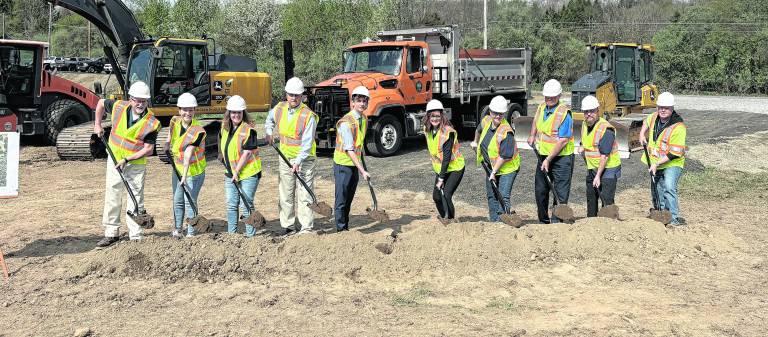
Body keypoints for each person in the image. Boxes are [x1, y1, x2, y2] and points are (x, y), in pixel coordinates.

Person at [93, 81, 161, 248]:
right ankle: (111, 233)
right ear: (130, 99)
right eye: (137, 100)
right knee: (113, 194)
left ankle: (135, 236)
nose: (140, 104)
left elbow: (148, 149)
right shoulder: (118, 107)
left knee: (136, 197)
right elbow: (100, 103)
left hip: (135, 164)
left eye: (144, 101)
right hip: (115, 159)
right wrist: (97, 124)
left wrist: (127, 160)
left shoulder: (152, 123)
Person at [264, 77, 319, 235]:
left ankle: (306, 227)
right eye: (291, 94)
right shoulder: (279, 108)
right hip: (285, 158)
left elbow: (307, 144)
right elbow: (269, 120)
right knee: (286, 193)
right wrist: (269, 132)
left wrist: (298, 162)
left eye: (297, 95)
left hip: (304, 160)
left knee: (304, 194)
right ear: (286, 94)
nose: (293, 98)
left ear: (302, 96)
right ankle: (288, 226)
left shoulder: (308, 116)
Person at [527, 79, 574, 223]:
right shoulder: (542, 107)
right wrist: (532, 135)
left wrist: (548, 159)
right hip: (543, 156)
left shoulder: (564, 113)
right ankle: (543, 221)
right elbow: (536, 121)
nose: (549, 99)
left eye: (552, 96)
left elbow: (563, 140)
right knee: (540, 190)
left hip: (561, 158)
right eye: (547, 96)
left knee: (560, 193)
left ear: (559, 96)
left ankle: (556, 222)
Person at [639, 91, 687, 226]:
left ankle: (673, 219)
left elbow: (674, 153)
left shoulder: (678, 127)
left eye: (666, 108)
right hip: (656, 161)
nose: (663, 110)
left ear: (672, 108)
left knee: (669, 187)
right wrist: (642, 134)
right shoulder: (655, 116)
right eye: (660, 107)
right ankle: (661, 215)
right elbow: (646, 122)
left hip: (672, 162)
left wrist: (656, 164)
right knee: (657, 188)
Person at [219, 95, 262, 237]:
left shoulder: (249, 130)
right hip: (230, 172)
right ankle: (232, 235)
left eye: (239, 112)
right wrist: (221, 154)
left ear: (243, 112)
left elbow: (247, 153)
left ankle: (250, 235)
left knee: (246, 204)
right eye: (233, 112)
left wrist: (236, 171)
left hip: (248, 172)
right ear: (229, 113)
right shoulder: (224, 128)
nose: (236, 115)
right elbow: (222, 142)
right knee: (232, 204)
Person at [471, 95, 519, 222]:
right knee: (491, 195)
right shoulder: (487, 120)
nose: (498, 116)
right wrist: (475, 142)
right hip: (491, 166)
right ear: (490, 112)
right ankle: (494, 221)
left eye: (501, 114)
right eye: (495, 113)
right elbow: (478, 130)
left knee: (503, 196)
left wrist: (493, 172)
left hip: (507, 169)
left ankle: (503, 221)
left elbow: (504, 156)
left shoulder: (506, 131)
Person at [166, 93, 206, 238]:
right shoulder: (174, 121)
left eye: (191, 110)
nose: (187, 113)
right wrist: (167, 143)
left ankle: (191, 233)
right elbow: (171, 133)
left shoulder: (198, 130)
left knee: (189, 201)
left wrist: (183, 176)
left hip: (193, 172)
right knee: (177, 200)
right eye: (184, 109)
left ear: (195, 111)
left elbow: (188, 152)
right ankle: (178, 229)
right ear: (179, 110)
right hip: (178, 169)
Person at [332, 86, 371, 232]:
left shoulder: (364, 119)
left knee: (349, 198)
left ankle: (345, 227)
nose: (362, 104)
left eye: (364, 101)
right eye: (359, 101)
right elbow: (349, 149)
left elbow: (358, 143)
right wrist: (363, 171)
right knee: (341, 199)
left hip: (354, 163)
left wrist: (360, 161)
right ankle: (341, 230)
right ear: (352, 102)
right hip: (343, 164)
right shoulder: (346, 123)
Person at [578, 95, 621, 217]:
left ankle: (608, 221)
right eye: (586, 111)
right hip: (593, 167)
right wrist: (582, 146)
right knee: (591, 196)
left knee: (606, 198)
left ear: (597, 111)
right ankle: (591, 220)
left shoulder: (606, 129)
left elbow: (604, 156)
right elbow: (586, 141)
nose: (589, 114)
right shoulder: (584, 125)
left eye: (592, 111)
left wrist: (598, 176)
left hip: (609, 168)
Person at [424, 99, 465, 222]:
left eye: (438, 116)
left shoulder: (447, 132)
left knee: (446, 195)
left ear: (442, 116)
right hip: (441, 169)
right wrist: (440, 174)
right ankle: (445, 218)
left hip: (455, 168)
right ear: (428, 116)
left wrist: (441, 178)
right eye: (432, 116)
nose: (435, 119)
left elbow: (446, 158)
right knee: (437, 197)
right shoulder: (427, 130)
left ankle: (451, 220)